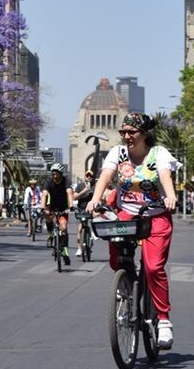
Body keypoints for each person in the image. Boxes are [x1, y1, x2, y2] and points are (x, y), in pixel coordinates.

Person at [87, 112, 179, 349]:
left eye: (132, 132)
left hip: (155, 216)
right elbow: (106, 176)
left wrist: (170, 196)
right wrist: (95, 199)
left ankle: (163, 320)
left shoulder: (158, 153)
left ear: (144, 134)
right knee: (117, 259)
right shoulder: (118, 153)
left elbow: (164, 175)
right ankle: (126, 285)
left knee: (153, 267)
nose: (127, 137)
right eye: (123, 132)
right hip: (126, 215)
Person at [43, 163, 75, 265]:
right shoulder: (49, 181)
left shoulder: (66, 180)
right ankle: (50, 235)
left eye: (56, 174)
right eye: (53, 174)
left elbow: (69, 193)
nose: (54, 176)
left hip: (63, 208)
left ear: (61, 174)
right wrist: (43, 208)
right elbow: (44, 194)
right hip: (51, 206)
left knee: (63, 227)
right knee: (48, 217)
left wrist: (70, 207)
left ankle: (65, 250)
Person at [74, 170, 96, 256]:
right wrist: (84, 190)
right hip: (82, 209)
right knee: (80, 229)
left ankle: (93, 234)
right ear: (85, 177)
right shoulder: (80, 186)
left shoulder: (95, 186)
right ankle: (79, 248)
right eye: (87, 176)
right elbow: (74, 197)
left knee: (95, 219)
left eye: (90, 176)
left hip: (92, 209)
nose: (89, 177)